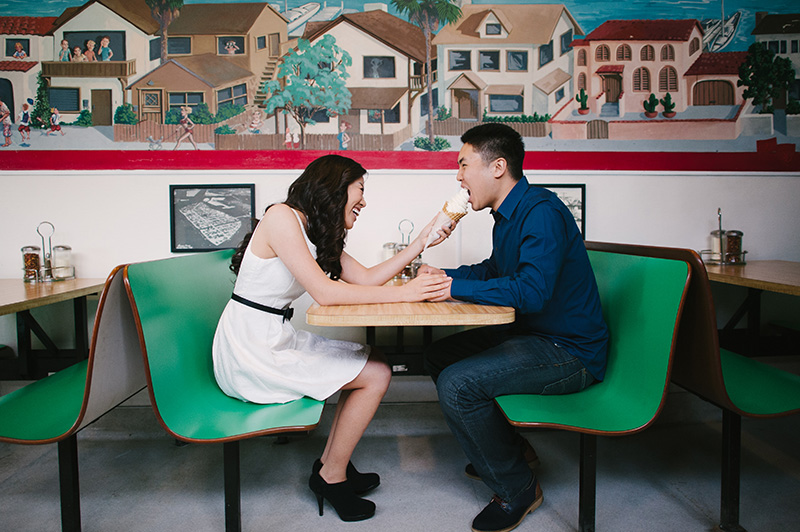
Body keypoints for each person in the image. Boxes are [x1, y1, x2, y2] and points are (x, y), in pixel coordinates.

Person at [212, 154, 453, 523]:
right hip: (249, 348)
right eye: (360, 189)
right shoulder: (281, 217)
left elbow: (368, 278)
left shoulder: (312, 231)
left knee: (373, 360)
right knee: (376, 372)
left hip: (272, 337)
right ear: (335, 188)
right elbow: (327, 292)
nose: (364, 201)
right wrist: (411, 292)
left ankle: (331, 462)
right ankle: (331, 475)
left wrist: (420, 242)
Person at [419, 123, 609, 532]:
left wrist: (454, 287)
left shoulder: (541, 211)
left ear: (498, 167)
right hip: (533, 336)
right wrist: (440, 276)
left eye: (463, 164)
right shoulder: (506, 216)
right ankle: (513, 452)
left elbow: (533, 291)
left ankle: (518, 487)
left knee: (458, 384)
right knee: (438, 355)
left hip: (569, 350)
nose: (457, 175)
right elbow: (495, 271)